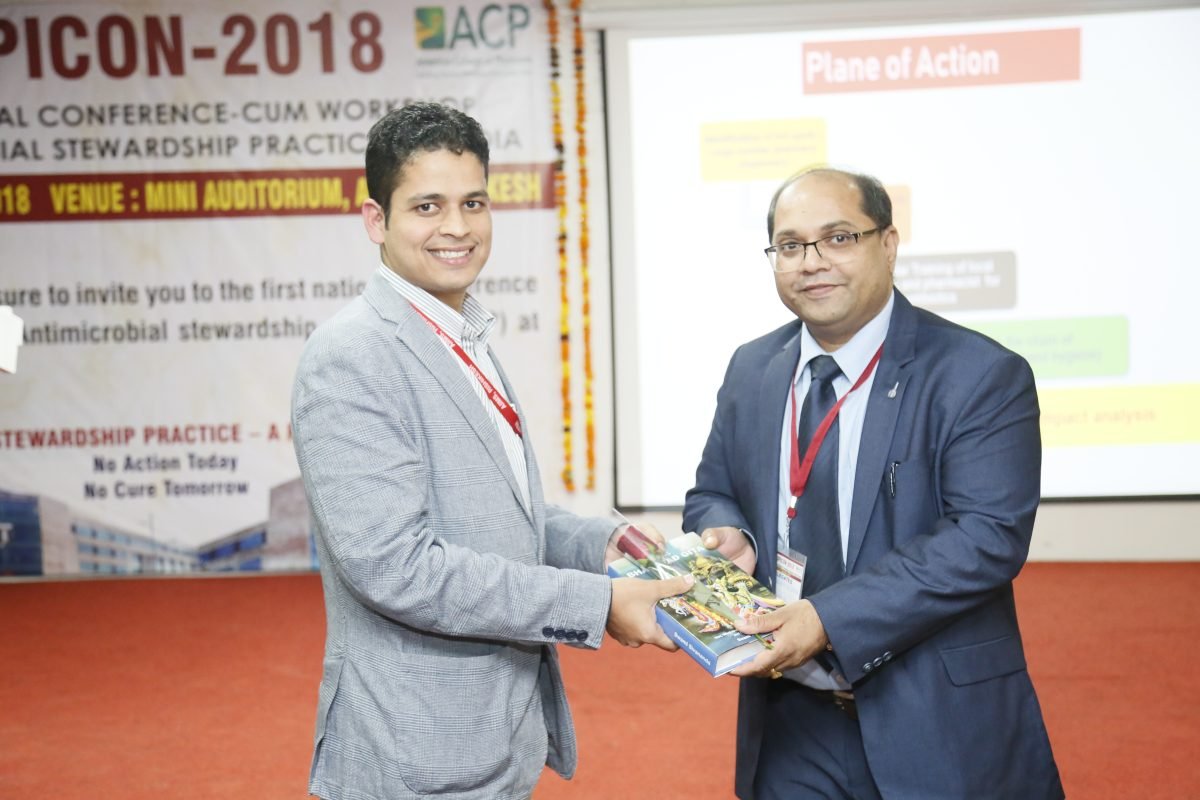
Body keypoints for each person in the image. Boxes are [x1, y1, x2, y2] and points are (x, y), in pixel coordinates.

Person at [291, 102, 696, 800]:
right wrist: (598, 603)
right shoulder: (351, 356)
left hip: (492, 735)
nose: (457, 227)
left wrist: (600, 544)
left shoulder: (459, 333)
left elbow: (491, 513)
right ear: (375, 220)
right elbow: (397, 568)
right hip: (414, 754)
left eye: (472, 202)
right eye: (427, 206)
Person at [686, 167, 1063, 799]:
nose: (812, 262)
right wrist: (731, 535)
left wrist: (826, 619)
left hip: (934, 718)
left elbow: (986, 538)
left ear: (888, 244)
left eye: (838, 238)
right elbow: (712, 491)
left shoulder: (978, 374)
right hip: (789, 723)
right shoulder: (752, 367)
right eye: (790, 245)